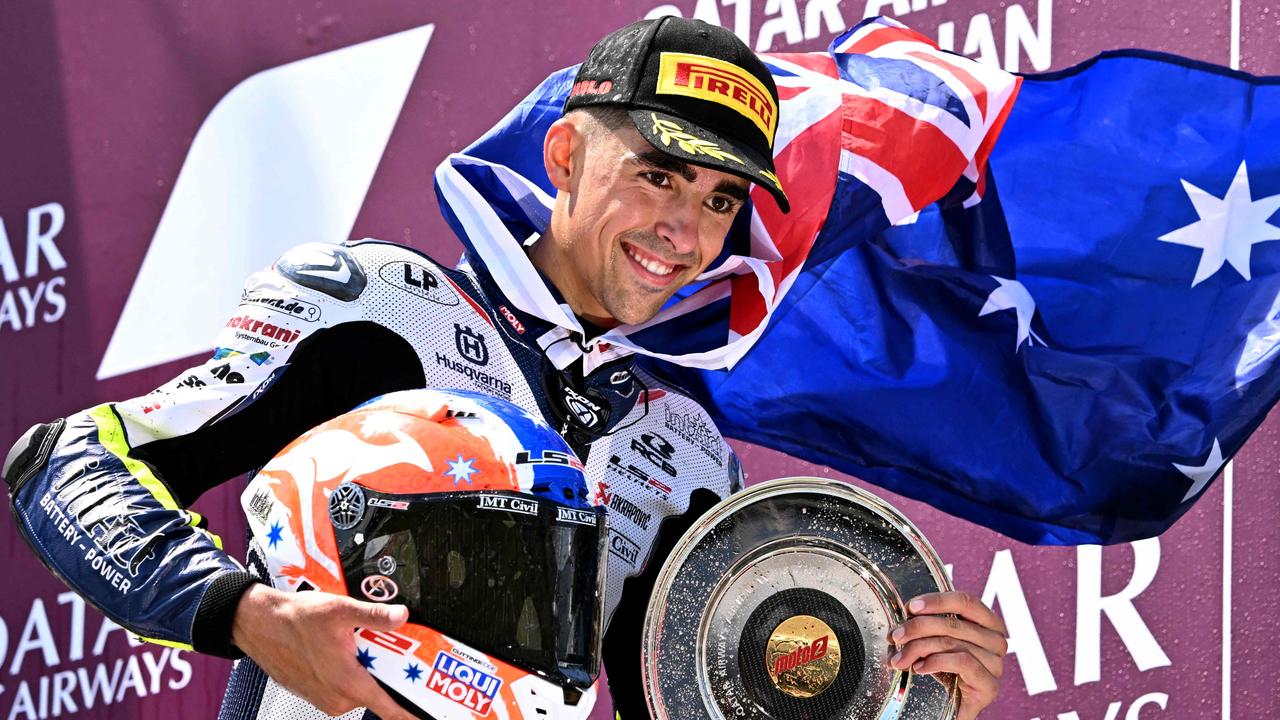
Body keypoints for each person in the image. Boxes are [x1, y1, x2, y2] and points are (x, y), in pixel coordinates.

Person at [3, 17, 1007, 720]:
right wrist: (250, 617)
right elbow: (65, 466)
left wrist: (896, 689)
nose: (682, 228)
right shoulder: (379, 308)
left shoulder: (684, 452)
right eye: (655, 173)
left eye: (713, 201)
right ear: (566, 154)